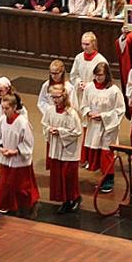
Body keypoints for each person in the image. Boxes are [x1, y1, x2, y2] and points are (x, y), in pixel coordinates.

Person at [80, 62, 126, 193]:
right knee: (98, 151)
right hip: (94, 125)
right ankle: (103, 175)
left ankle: (109, 179)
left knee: (106, 153)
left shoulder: (114, 91)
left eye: (101, 75)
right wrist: (88, 112)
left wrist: (103, 116)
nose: (98, 78)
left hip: (108, 127)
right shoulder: (89, 88)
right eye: (96, 75)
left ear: (107, 75)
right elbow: (84, 104)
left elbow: (120, 110)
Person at [0, 92, 40, 215]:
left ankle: (28, 205)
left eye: (7, 108)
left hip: (19, 160)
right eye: (2, 108)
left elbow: (29, 142)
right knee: (5, 184)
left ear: (14, 108)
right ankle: (6, 205)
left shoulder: (22, 122)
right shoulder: (2, 120)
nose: (4, 111)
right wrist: (1, 147)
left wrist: (16, 151)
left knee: (20, 187)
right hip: (6, 158)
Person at [42, 84, 83, 213]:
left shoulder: (71, 114)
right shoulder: (50, 110)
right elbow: (45, 125)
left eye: (57, 97)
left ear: (64, 96)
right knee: (59, 175)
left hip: (68, 149)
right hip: (56, 147)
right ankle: (65, 200)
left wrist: (60, 131)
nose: (54, 100)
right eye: (52, 97)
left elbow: (77, 132)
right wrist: (50, 129)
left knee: (68, 175)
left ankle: (75, 198)